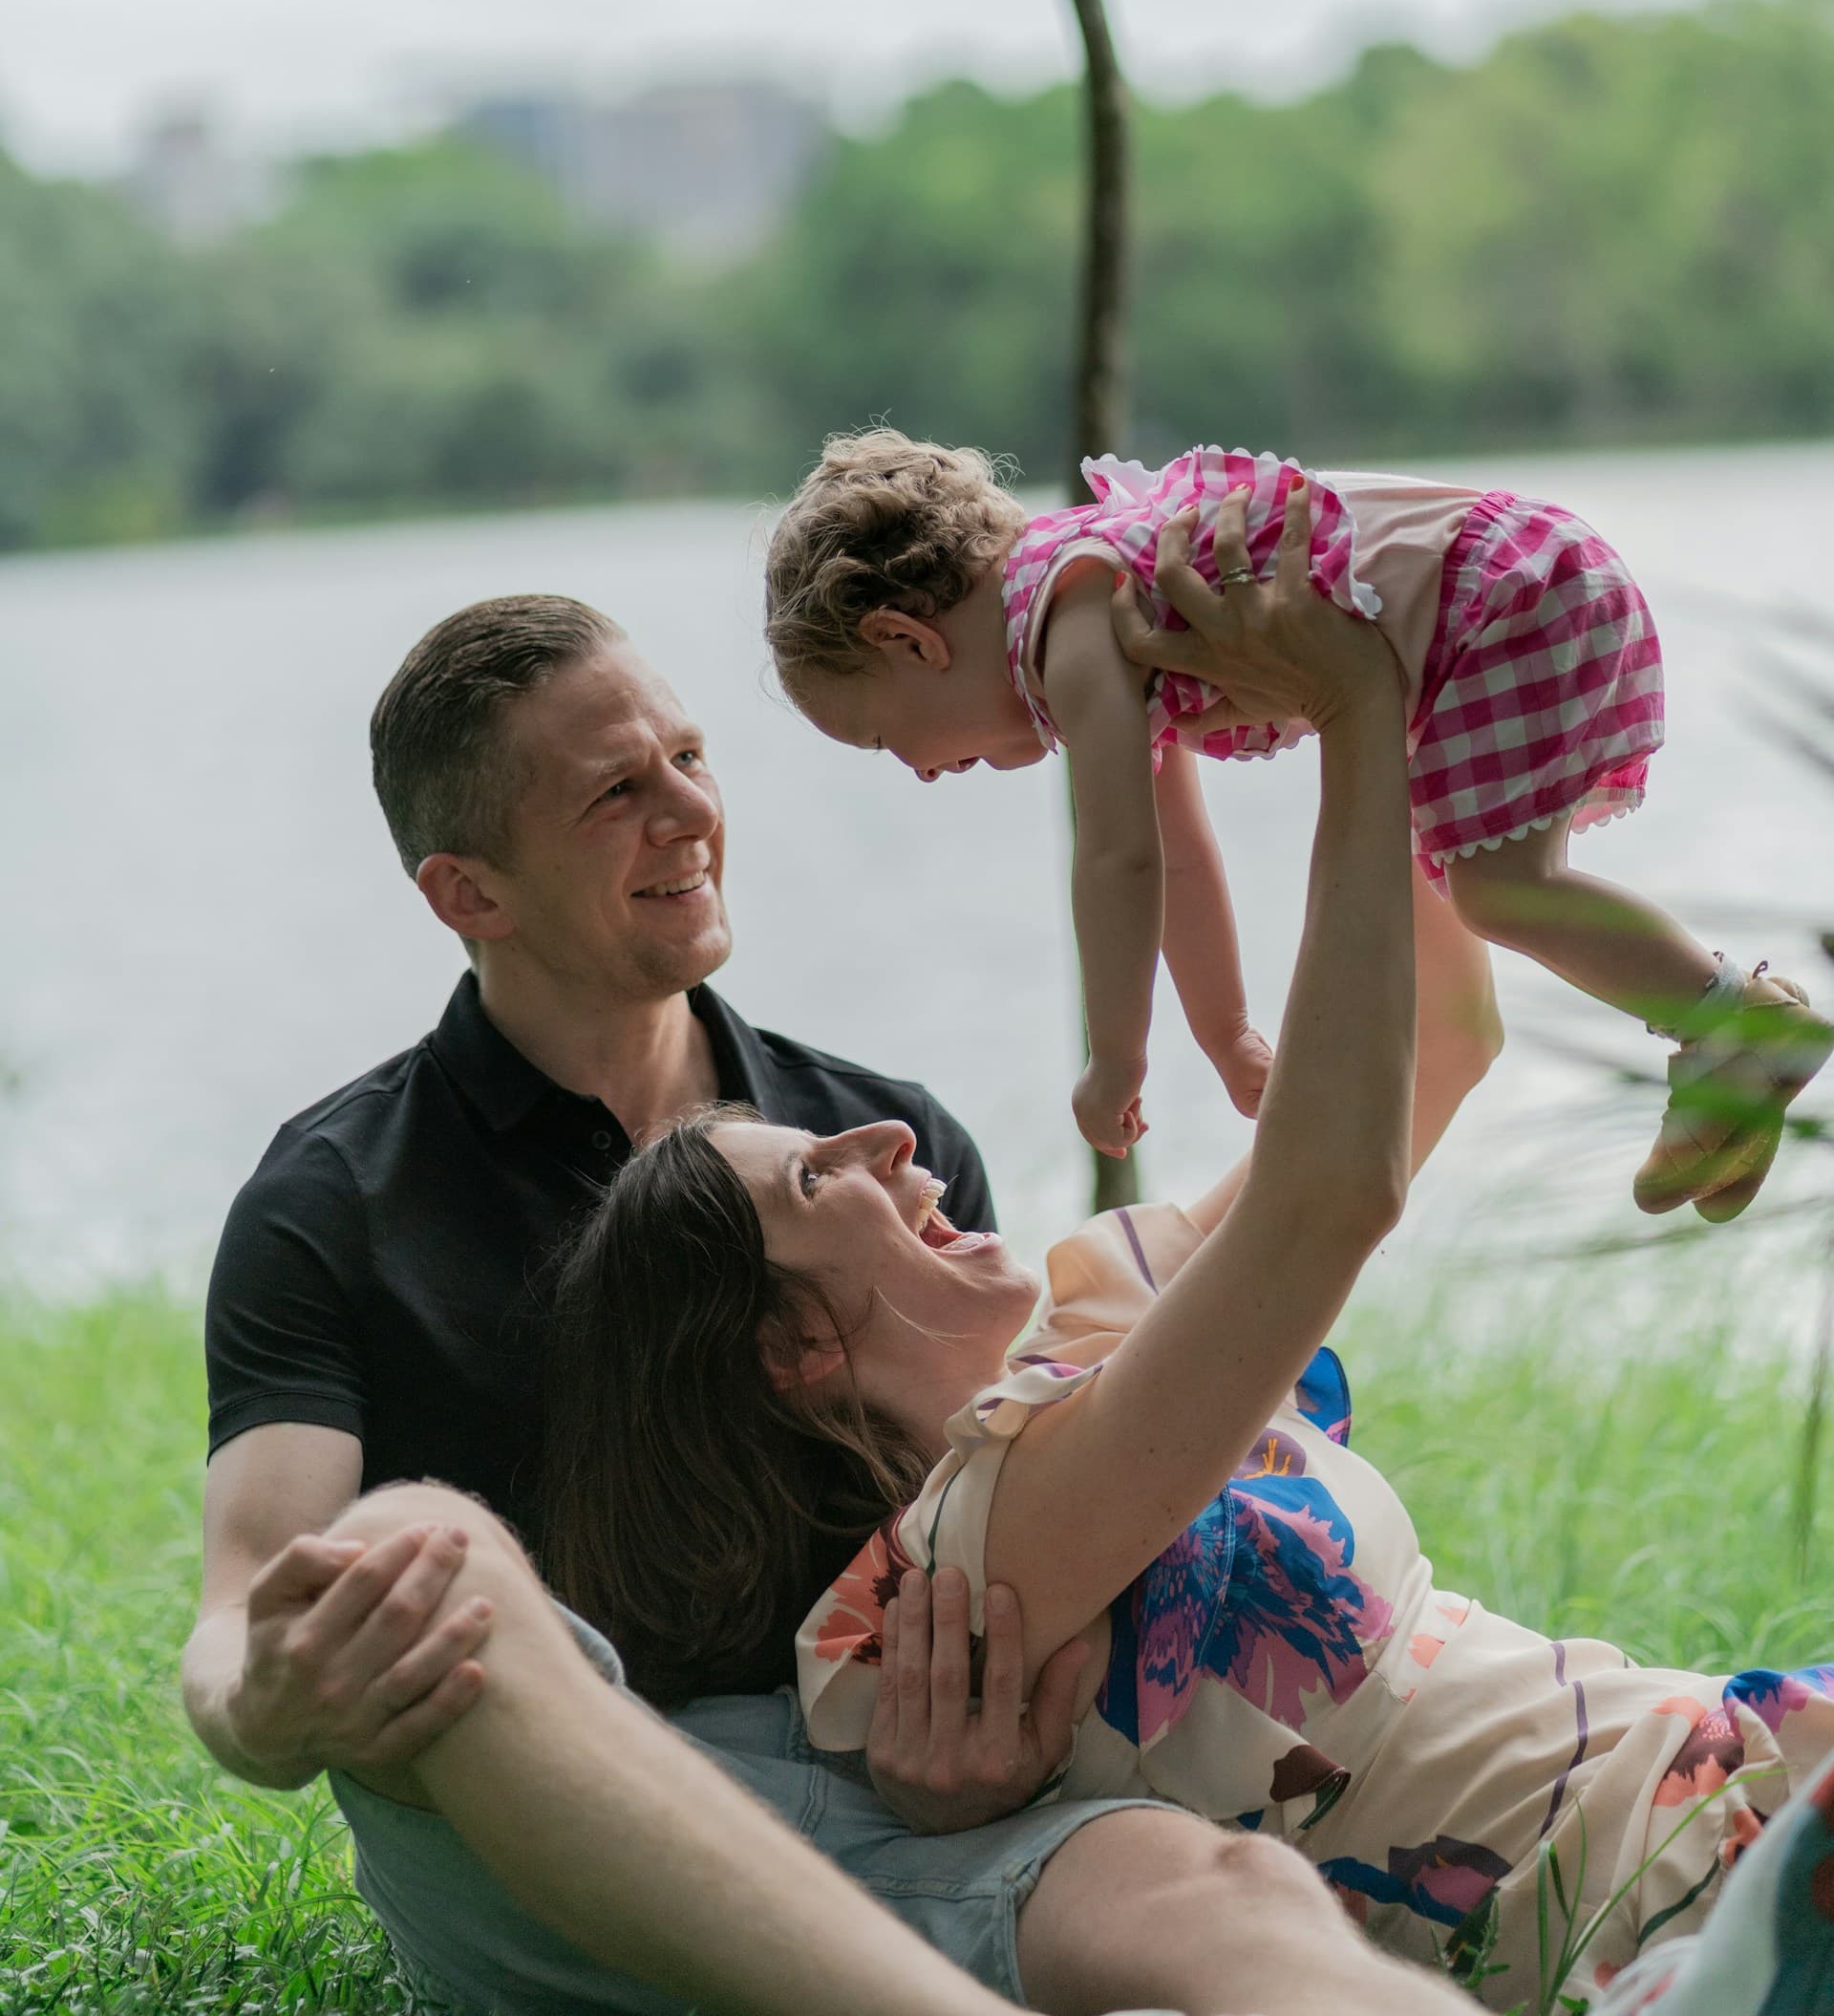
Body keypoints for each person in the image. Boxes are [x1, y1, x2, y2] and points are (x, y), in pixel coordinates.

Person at [559, 490, 1834, 2016]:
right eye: (824, 1174)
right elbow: (1325, 1198)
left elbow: (1439, 1047)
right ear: (790, 1346)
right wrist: (1357, 722)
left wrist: (1392, 682)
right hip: (1673, 1892)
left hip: (1736, 1756)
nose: (894, 1140)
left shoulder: (1100, 1305)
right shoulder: (952, 1574)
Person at [181, 590, 1468, 2016]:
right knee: (420, 1550)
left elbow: (1018, 1508)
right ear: (469, 893)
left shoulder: (878, 1137)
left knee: (1232, 1903)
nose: (689, 813)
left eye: (689, 757)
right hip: (543, 1817)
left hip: (881, 1815)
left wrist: (987, 1742)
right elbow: (252, 1597)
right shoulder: (334, 1201)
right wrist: (270, 1706)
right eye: (617, 791)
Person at [762, 430, 1831, 1210]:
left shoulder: (1072, 620)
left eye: (877, 739)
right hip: (1509, 579)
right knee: (1481, 901)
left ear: (910, 640)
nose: (913, 773)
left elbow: (1120, 857)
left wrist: (1116, 1060)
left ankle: (1735, 1019)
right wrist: (1226, 1036)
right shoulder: (1089, 586)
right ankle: (1724, 1058)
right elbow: (1177, 852)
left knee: (1499, 889)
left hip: (1501, 598)